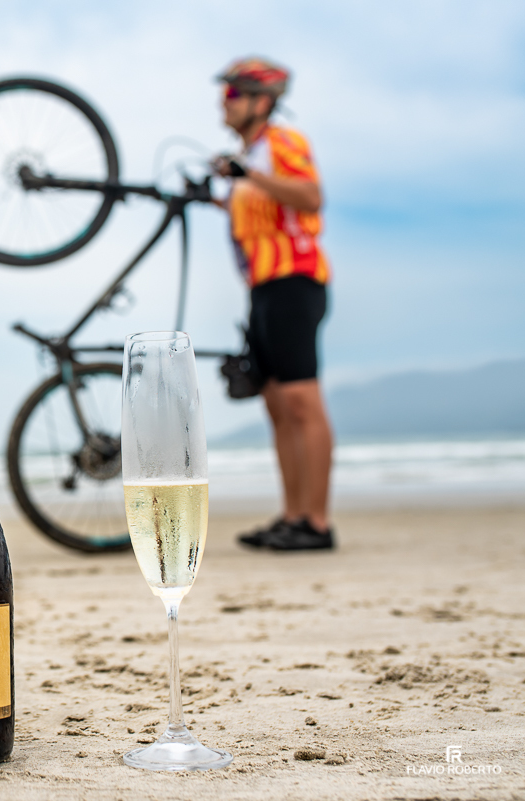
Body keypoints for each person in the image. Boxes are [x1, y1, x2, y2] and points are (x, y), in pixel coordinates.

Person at [211, 58, 336, 551]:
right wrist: (219, 194)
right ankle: (293, 515)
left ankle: (318, 522)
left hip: (294, 281)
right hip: (262, 288)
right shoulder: (253, 153)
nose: (224, 103)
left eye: (232, 95)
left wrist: (247, 173)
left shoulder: (281, 143)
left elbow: (309, 195)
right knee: (278, 404)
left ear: (261, 102)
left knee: (303, 400)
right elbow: (259, 208)